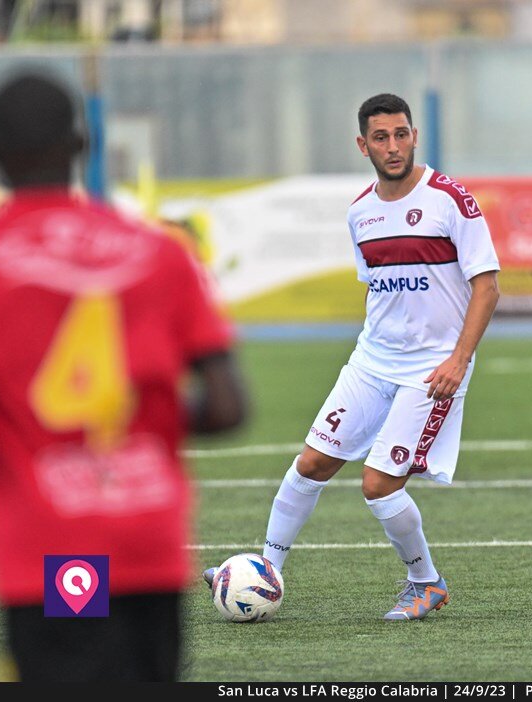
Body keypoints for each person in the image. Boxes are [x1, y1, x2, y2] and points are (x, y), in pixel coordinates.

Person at [0, 70, 247, 682]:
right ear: (82, 145)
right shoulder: (161, 253)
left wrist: (14, 475)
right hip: (149, 542)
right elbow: (228, 406)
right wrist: (142, 428)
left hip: (58, 543)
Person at [208, 93, 500, 621]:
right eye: (382, 138)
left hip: (433, 368)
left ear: (414, 136)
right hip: (372, 361)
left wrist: (458, 360)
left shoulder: (451, 200)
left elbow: (487, 287)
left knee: (377, 484)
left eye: (402, 134)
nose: (394, 146)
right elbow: (379, 290)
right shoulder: (361, 212)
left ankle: (426, 582)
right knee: (312, 462)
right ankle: (267, 572)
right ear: (363, 145)